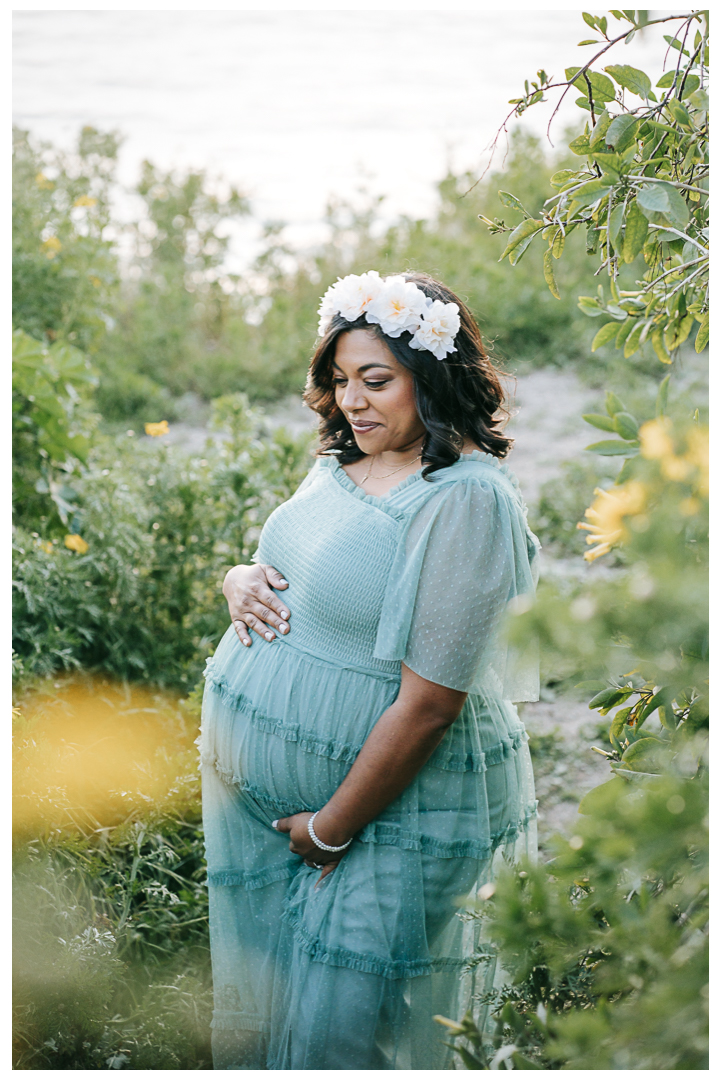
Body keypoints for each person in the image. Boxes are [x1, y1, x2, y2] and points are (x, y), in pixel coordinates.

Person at [200, 270, 540, 1070]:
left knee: (337, 1038)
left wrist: (331, 826)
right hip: (292, 815)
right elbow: (307, 568)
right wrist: (237, 578)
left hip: (396, 811)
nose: (353, 401)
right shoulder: (342, 463)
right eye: (341, 380)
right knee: (281, 1014)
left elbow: (430, 704)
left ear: (433, 375)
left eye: (376, 381)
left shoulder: (463, 500)